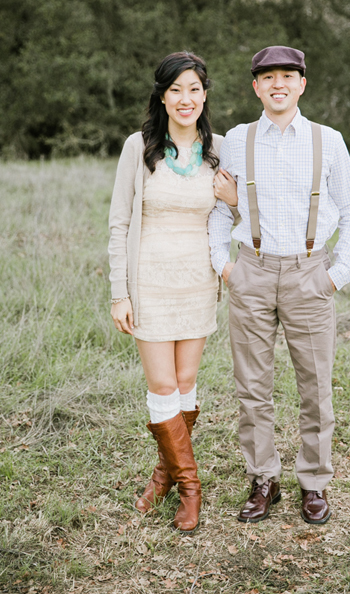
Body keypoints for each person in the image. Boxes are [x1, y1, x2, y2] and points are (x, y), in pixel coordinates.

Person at [208, 46, 350, 526]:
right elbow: (220, 206)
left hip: (309, 273)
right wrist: (224, 264)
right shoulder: (237, 140)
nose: (278, 84)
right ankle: (264, 479)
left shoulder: (328, 140)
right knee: (252, 387)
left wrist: (338, 273)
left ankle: (314, 483)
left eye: (288, 76)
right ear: (256, 87)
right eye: (268, 77)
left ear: (302, 84)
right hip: (251, 271)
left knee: (316, 387)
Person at [108, 51, 238, 533]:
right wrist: (119, 292)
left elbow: (239, 217)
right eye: (176, 89)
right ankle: (190, 488)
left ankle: (163, 473)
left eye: (195, 89)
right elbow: (120, 221)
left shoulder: (222, 148)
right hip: (150, 282)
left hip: (199, 282)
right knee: (162, 386)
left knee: (186, 385)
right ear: (162, 95)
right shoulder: (139, 147)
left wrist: (236, 200)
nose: (186, 99)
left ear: (205, 95)